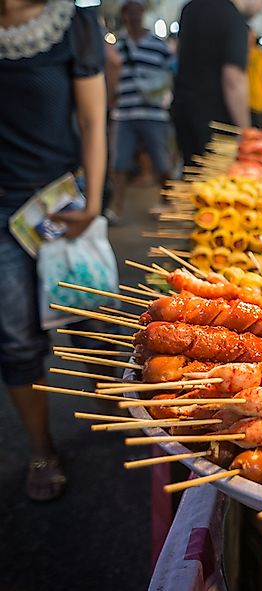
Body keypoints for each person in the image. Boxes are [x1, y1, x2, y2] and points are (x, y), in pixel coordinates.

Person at [0, 0, 107, 500]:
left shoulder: (71, 23)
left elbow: (92, 121)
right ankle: (42, 450)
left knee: (90, 318)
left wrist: (94, 201)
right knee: (17, 342)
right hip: (1, 218)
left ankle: (117, 420)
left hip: (59, 204)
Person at [171, 0, 262, 166]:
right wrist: (245, 132)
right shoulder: (234, 19)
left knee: (193, 177)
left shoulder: (190, 8)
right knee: (216, 186)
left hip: (184, 111)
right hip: (217, 124)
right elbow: (233, 77)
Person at [108, 0, 173, 222]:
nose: (133, 16)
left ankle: (168, 201)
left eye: (136, 11)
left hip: (153, 113)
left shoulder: (158, 45)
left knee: (162, 162)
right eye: (128, 12)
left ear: (143, 13)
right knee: (119, 163)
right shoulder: (117, 46)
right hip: (124, 113)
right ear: (123, 15)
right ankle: (115, 208)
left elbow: (170, 74)